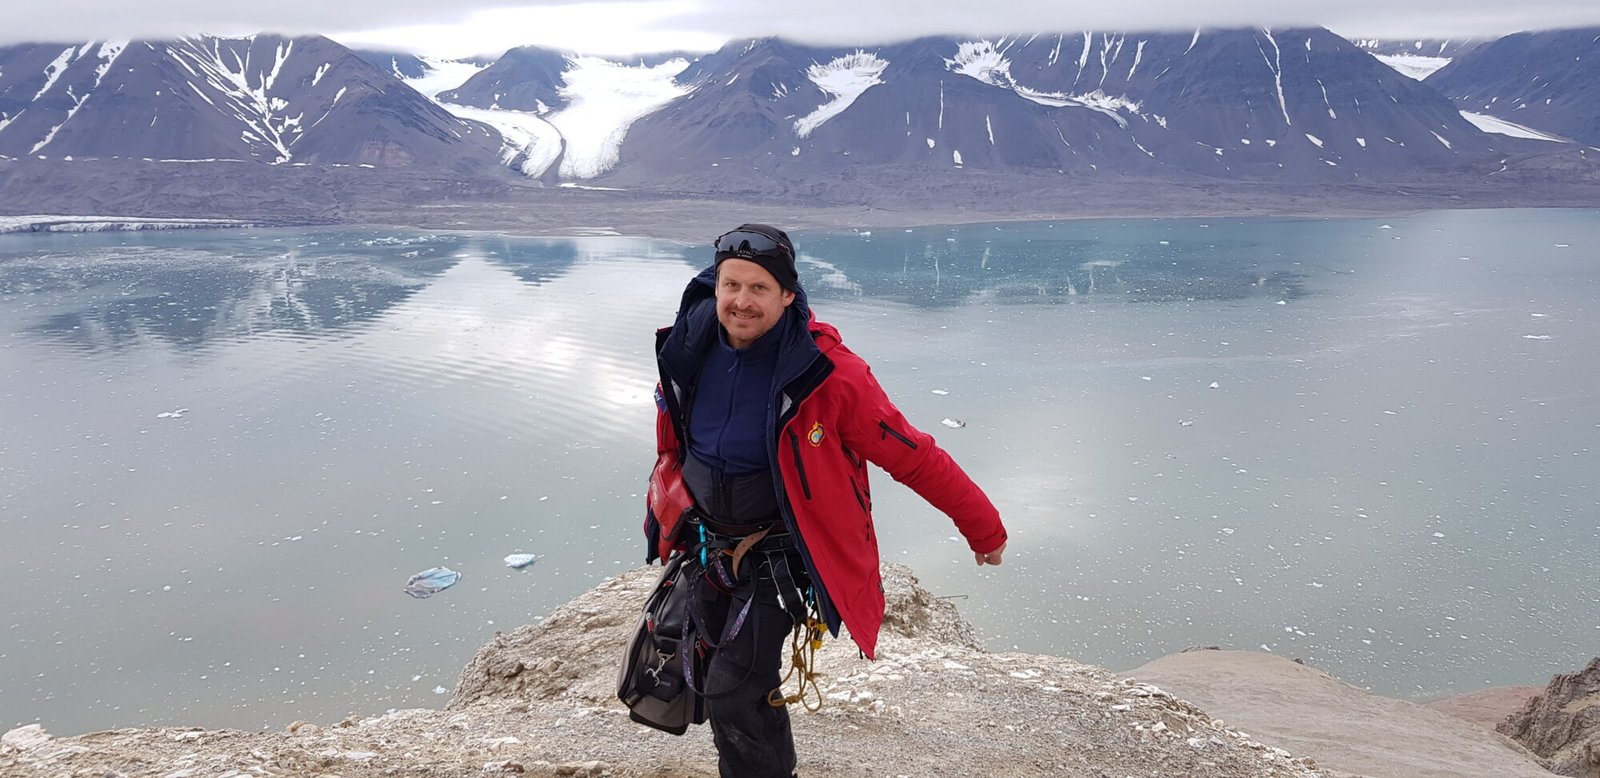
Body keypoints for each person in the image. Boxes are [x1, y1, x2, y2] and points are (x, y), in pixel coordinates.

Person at [643, 223, 1008, 777]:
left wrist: (983, 529)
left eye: (759, 288)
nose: (741, 301)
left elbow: (912, 455)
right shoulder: (689, 346)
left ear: (788, 295)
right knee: (715, 676)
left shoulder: (828, 375)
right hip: (704, 544)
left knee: (733, 690)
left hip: (778, 556)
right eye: (731, 285)